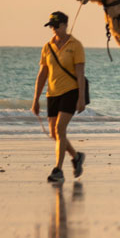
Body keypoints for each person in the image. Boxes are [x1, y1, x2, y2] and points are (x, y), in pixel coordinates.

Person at [33, 11, 87, 184]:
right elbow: (42, 74)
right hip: (52, 93)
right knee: (55, 133)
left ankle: (58, 169)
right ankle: (77, 156)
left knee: (60, 128)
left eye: (56, 26)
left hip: (70, 92)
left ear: (65, 25)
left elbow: (80, 73)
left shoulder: (75, 45)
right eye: (51, 26)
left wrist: (81, 98)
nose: (53, 29)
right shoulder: (47, 47)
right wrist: (35, 99)